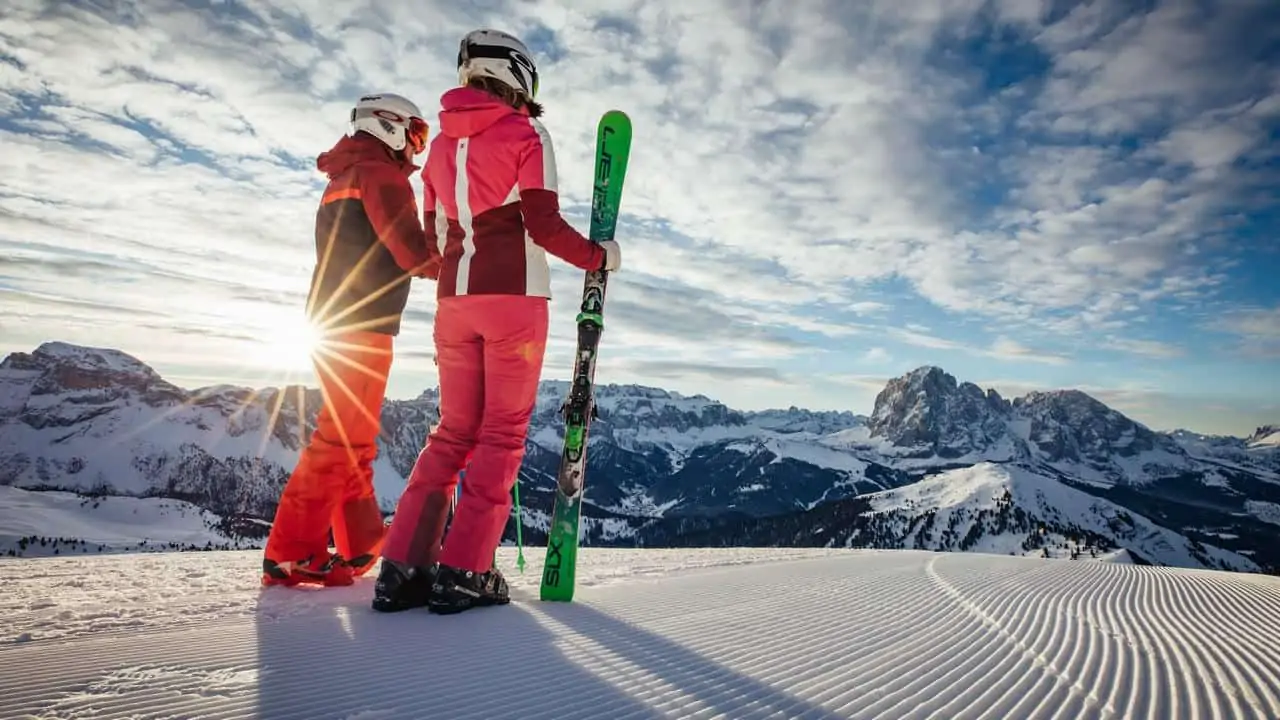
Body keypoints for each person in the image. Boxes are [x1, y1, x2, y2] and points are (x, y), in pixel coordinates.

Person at [373, 29, 621, 614]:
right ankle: (464, 571)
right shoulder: (527, 133)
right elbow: (543, 225)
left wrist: (461, 263)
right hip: (514, 301)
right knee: (502, 436)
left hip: (454, 305)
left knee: (452, 433)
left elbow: (434, 242)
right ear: (518, 74)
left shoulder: (435, 151)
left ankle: (403, 567)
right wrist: (599, 256)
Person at [262, 93, 432, 588]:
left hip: (334, 320)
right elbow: (410, 250)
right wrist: (460, 261)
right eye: (415, 134)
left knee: (352, 439)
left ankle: (358, 547)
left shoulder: (346, 174)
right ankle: (291, 553)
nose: (415, 148)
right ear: (388, 126)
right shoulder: (381, 174)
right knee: (340, 440)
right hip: (361, 323)